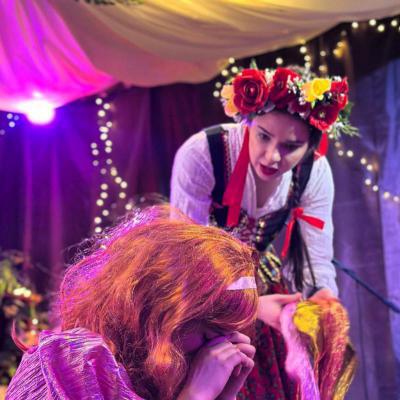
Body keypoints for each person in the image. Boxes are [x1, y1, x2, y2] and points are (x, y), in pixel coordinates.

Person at [170, 66, 357, 399]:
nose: (272, 156)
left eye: (291, 146)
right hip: (200, 295)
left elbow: (317, 262)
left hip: (265, 284)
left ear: (311, 147)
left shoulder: (314, 172)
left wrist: (324, 303)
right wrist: (253, 307)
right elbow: (186, 263)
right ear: (248, 121)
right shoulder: (203, 153)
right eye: (263, 136)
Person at [6, 206, 259, 400]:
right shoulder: (66, 365)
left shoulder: (165, 379)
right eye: (209, 336)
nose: (220, 352)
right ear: (159, 310)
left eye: (230, 337)